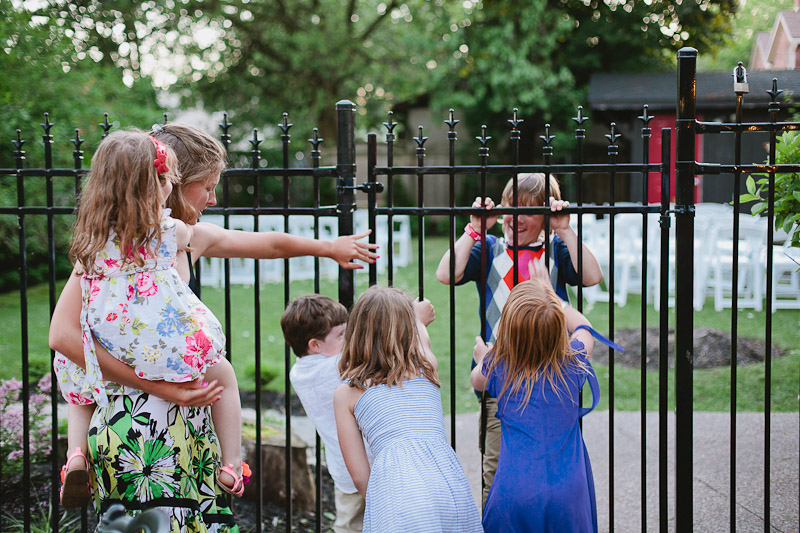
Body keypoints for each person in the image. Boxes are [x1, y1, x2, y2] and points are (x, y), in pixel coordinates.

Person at [49, 123, 378, 530]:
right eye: (207, 186)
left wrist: (327, 247)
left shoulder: (115, 243)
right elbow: (63, 336)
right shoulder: (163, 237)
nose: (214, 197)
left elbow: (265, 243)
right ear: (171, 182)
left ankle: (83, 456)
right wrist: (158, 387)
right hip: (138, 424)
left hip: (191, 420)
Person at [53, 130, 248, 512]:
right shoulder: (166, 232)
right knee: (222, 373)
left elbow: (65, 333)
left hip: (103, 354)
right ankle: (232, 462)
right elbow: (201, 235)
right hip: (156, 345)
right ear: (155, 185)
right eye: (168, 180)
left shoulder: (92, 243)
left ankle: (75, 456)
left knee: (81, 392)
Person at [435, 172, 603, 504]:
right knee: (496, 469)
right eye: (512, 208)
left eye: (529, 211)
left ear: (546, 217)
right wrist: (473, 230)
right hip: (500, 378)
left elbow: (592, 276)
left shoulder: (556, 250)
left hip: (550, 379)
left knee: (549, 465)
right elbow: (446, 274)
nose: (517, 218)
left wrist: (565, 230)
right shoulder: (489, 249)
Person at [281, 293, 435, 533]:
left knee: (350, 525)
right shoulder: (333, 368)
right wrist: (415, 321)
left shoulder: (299, 372)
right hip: (372, 465)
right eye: (341, 334)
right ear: (315, 345)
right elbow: (381, 352)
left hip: (344, 473)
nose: (349, 338)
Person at [333, 286, 482, 533]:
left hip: (396, 489)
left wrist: (381, 505)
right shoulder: (426, 367)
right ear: (409, 330)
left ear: (355, 331)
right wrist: (415, 317)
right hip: (445, 483)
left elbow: (360, 477)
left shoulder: (346, 395)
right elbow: (423, 339)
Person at [471, 260, 600, 532]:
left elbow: (477, 380)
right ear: (557, 330)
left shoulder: (499, 368)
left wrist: (483, 357)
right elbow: (585, 329)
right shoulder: (573, 364)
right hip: (569, 491)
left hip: (513, 491)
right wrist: (555, 298)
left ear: (507, 328)